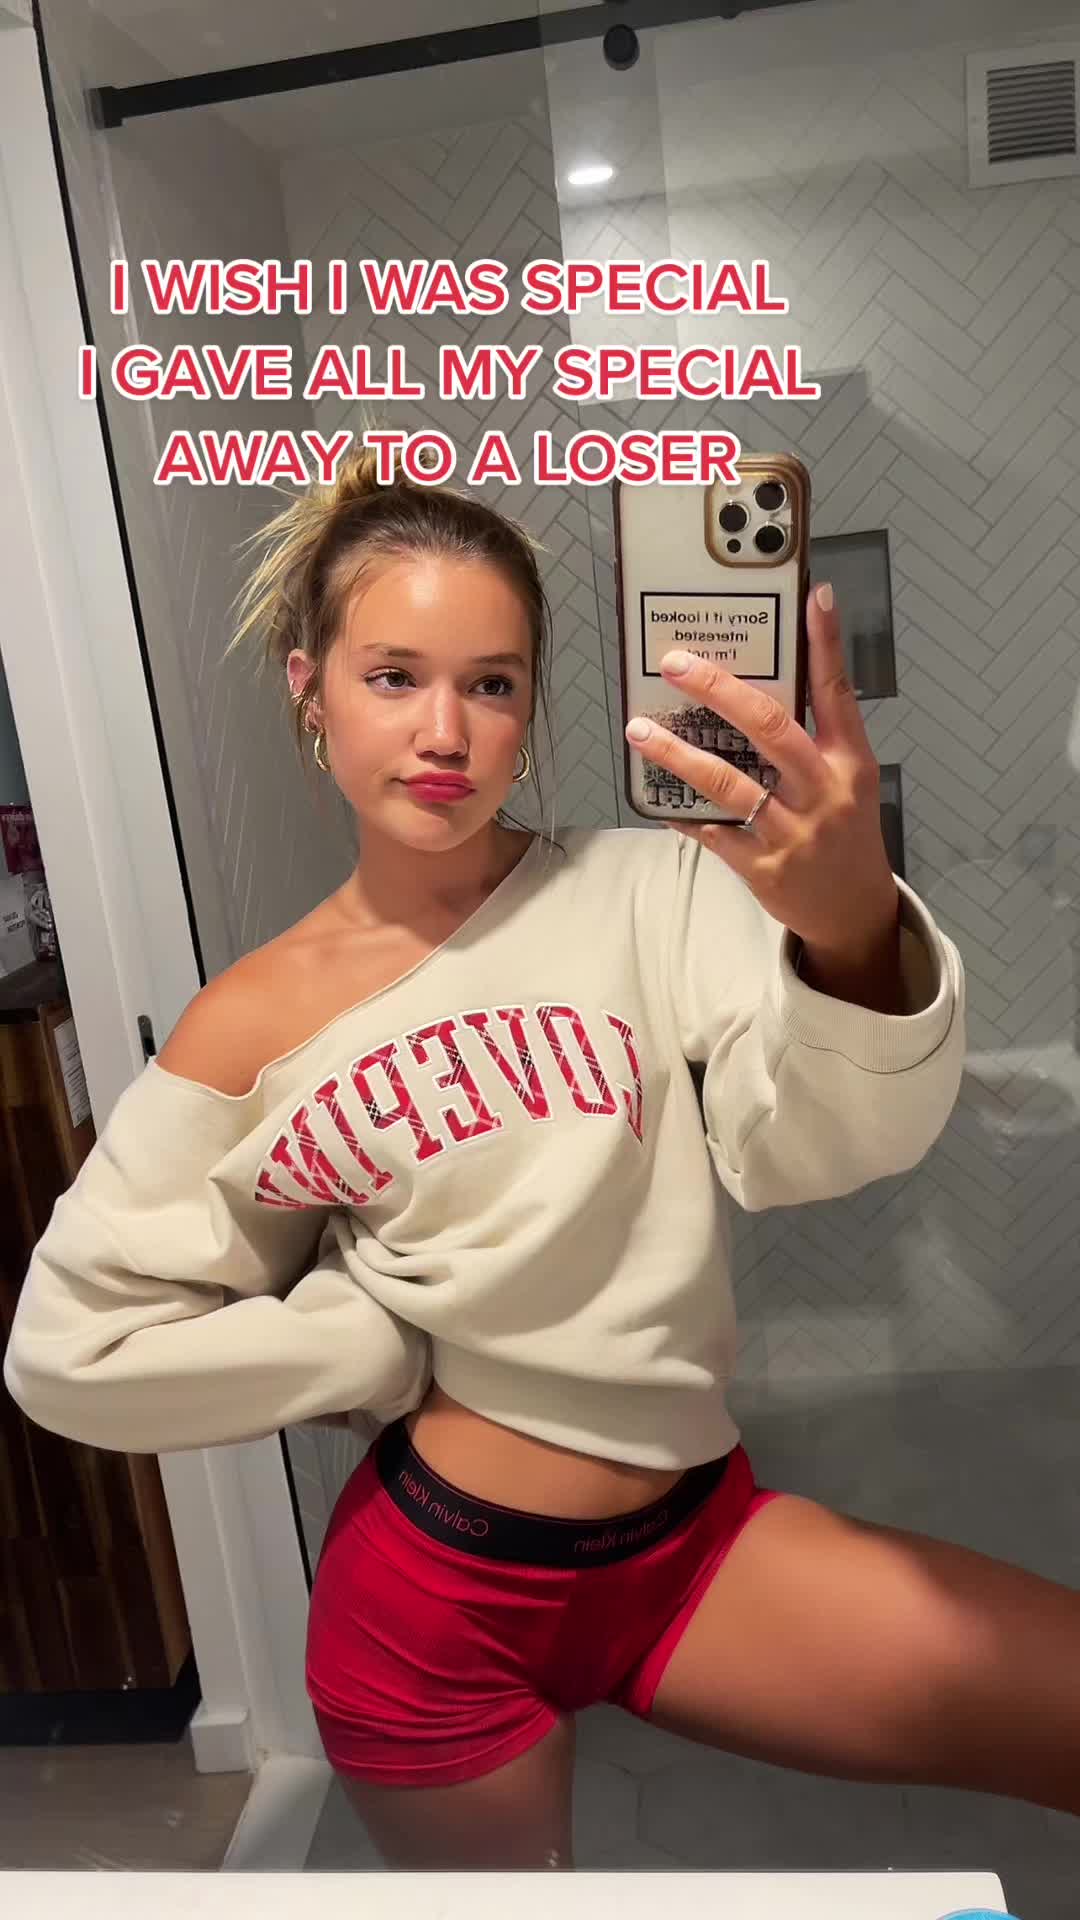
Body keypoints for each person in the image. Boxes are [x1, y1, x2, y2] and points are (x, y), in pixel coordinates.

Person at [5, 451, 1080, 1872]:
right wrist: (369, 1341)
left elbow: (812, 1147)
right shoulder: (252, 1022)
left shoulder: (651, 887)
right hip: (432, 1603)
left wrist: (850, 935)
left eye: (494, 683)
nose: (445, 730)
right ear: (309, 688)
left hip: (695, 1545)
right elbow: (69, 1353)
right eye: (394, 676)